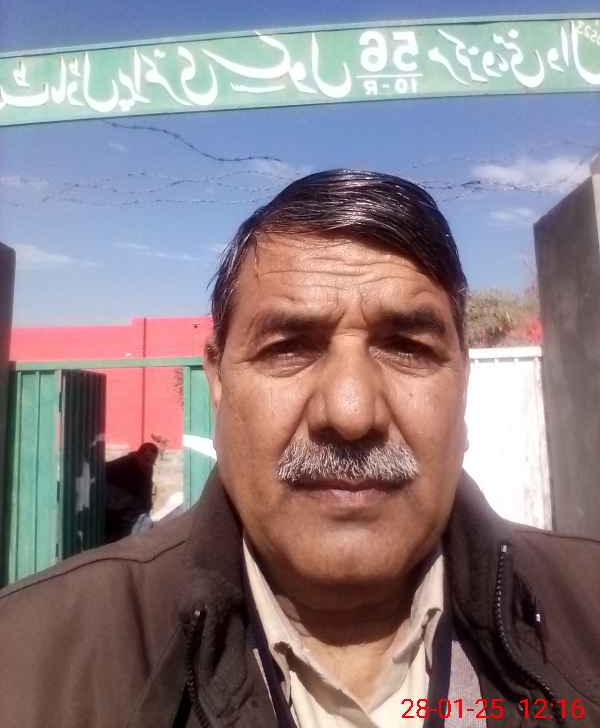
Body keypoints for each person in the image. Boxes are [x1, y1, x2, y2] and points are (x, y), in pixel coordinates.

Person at [1, 169, 599, 727]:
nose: (351, 413)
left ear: (462, 381)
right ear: (218, 382)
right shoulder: (29, 665)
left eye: (407, 348)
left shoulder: (585, 610)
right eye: (288, 347)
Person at [104, 441, 159, 542]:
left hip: (133, 514)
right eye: (147, 460)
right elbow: (101, 473)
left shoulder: (147, 468)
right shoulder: (123, 464)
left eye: (152, 462)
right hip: (117, 515)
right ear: (138, 455)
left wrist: (147, 508)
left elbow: (146, 492)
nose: (149, 464)